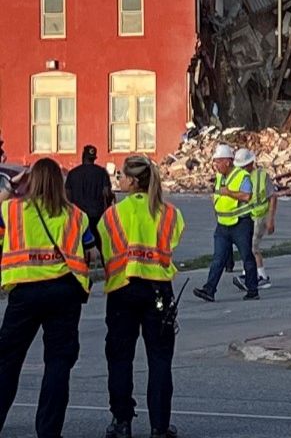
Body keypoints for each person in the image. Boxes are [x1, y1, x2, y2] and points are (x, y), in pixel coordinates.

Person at [0, 158, 94, 438]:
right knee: (58, 364)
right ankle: (49, 431)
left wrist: (10, 184)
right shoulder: (76, 215)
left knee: (7, 361)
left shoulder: (12, 210)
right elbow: (90, 249)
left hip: (24, 294)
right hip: (64, 292)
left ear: (32, 181)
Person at [99, 156, 185, 438]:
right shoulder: (170, 213)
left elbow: (105, 247)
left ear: (133, 181)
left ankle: (121, 422)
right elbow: (174, 240)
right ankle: (159, 426)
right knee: (159, 359)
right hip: (158, 290)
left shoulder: (112, 214)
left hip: (123, 289)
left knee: (120, 358)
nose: (119, 180)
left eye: (122, 175)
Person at [193, 144, 260, 301]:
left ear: (228, 162)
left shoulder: (242, 176)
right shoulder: (219, 177)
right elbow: (217, 197)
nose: (215, 165)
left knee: (246, 257)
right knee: (218, 258)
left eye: (218, 162)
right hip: (223, 225)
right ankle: (209, 290)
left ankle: (252, 289)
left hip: (240, 224)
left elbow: (246, 196)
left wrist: (229, 193)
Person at [231, 148, 277, 292]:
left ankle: (261, 277)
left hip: (260, 215)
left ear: (251, 163)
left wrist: (270, 220)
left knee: (252, 247)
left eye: (244, 166)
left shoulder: (262, 176)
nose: (242, 169)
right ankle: (250, 274)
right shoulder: (239, 177)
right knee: (248, 247)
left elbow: (273, 197)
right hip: (248, 217)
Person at [65, 145, 115, 255]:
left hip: (78, 215)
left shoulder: (72, 173)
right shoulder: (102, 172)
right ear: (94, 158)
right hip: (97, 215)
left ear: (83, 156)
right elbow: (107, 193)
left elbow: (67, 196)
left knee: (78, 245)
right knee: (99, 243)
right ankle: (101, 264)